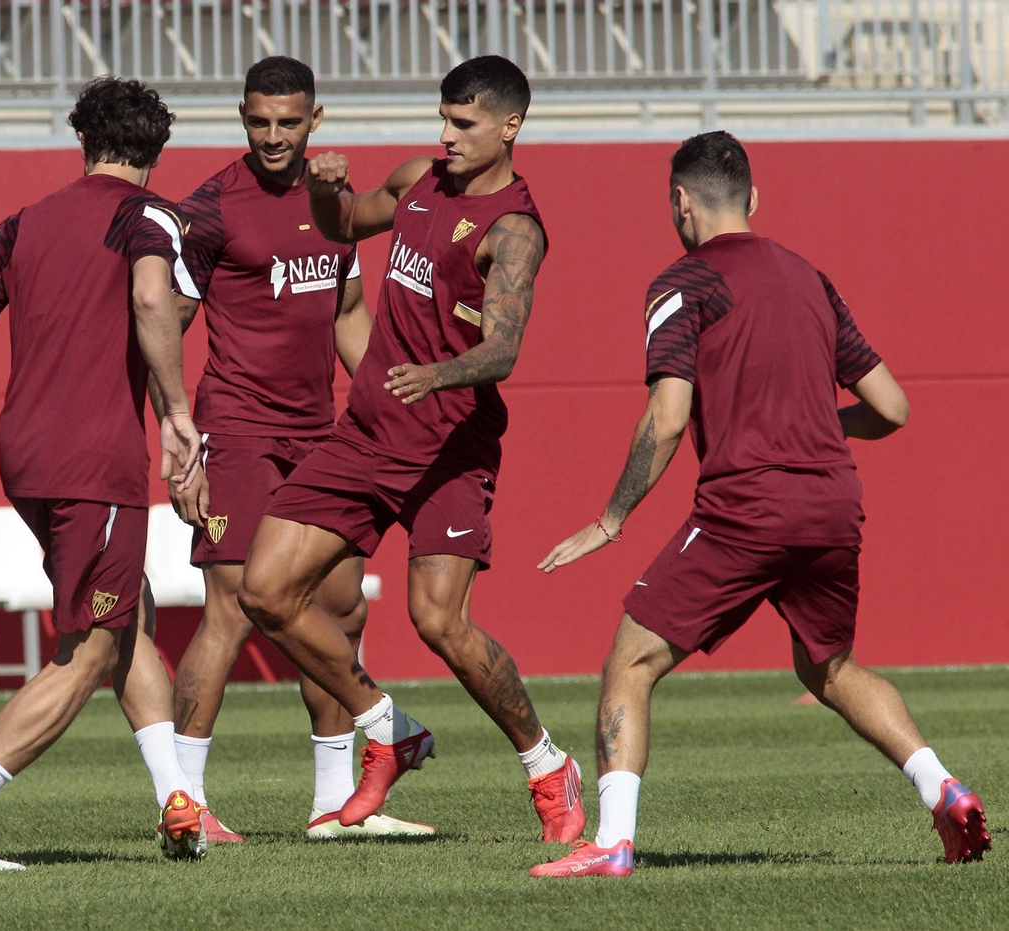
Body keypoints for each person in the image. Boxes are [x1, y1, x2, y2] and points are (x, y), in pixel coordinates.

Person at [531, 131, 992, 877]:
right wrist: (813, 426)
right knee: (831, 667)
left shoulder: (683, 282)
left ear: (680, 203)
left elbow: (668, 415)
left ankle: (612, 840)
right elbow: (893, 406)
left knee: (631, 660)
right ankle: (943, 787)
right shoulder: (809, 277)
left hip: (748, 504)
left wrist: (610, 518)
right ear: (753, 199)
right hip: (832, 502)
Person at [235, 56, 584, 840]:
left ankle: (547, 765)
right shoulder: (418, 180)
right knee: (264, 592)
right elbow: (342, 224)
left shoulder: (514, 231)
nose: (447, 135)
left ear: (509, 127)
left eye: (464, 124)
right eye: (444, 118)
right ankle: (389, 726)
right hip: (366, 431)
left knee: (440, 623)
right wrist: (326, 187)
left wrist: (441, 373)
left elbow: (504, 349)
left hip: (448, 445)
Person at [0, 76, 209, 871]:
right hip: (96, 462)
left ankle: (176, 795)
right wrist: (178, 413)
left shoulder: (25, 222)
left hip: (26, 457)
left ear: (84, 142)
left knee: (124, 614)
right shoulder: (151, 216)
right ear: (156, 150)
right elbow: (153, 303)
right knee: (88, 648)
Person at [165, 56, 432, 842]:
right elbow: (164, 326)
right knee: (231, 610)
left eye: (289, 121)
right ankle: (184, 804)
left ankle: (334, 805)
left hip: (322, 433)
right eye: (259, 121)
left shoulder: (334, 202)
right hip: (238, 428)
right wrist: (176, 437)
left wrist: (387, 402)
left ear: (316, 118)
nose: (273, 136)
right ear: (241, 118)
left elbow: (348, 307)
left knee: (341, 608)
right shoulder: (210, 209)